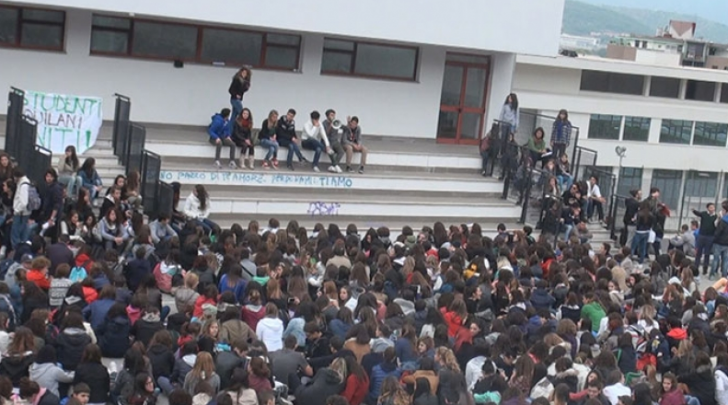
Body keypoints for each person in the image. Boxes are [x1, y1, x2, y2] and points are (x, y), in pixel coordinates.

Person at [694, 202, 718, 275]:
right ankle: (695, 267)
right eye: (710, 207)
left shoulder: (716, 216)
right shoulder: (704, 214)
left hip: (710, 237)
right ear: (707, 208)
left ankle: (705, 269)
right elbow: (698, 213)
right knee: (698, 253)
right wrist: (694, 210)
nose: (712, 209)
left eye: (713, 207)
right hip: (702, 235)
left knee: (707, 254)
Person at [11, 167, 32, 248]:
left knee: (15, 233)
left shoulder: (23, 185)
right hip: (24, 213)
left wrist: (17, 210)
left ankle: (16, 249)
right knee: (23, 233)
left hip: (20, 213)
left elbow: (24, 202)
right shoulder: (25, 183)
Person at [323, 109, 345, 173]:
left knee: (341, 151)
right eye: (331, 115)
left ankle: (333, 166)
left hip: (335, 141)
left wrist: (348, 123)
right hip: (327, 142)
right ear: (327, 116)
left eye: (334, 115)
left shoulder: (336, 122)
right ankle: (336, 166)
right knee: (331, 152)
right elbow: (325, 134)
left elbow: (344, 128)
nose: (333, 117)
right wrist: (330, 125)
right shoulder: (324, 123)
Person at [712, 200, 728, 279]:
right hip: (727, 244)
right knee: (725, 260)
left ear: (725, 210)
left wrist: (714, 239)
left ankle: (712, 274)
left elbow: (718, 232)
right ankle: (724, 276)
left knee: (716, 259)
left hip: (719, 242)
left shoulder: (723, 221)